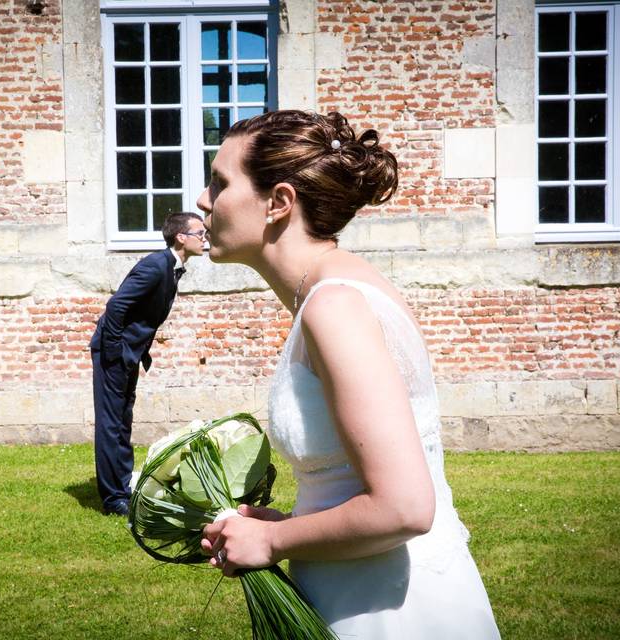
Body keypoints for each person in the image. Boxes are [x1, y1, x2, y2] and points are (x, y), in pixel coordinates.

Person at [196, 111, 500, 638]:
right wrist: (290, 524)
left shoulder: (332, 305)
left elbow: (404, 507)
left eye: (220, 183)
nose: (203, 200)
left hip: (386, 609)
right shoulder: (339, 287)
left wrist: (271, 543)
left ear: (279, 203)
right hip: (362, 585)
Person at [89, 211, 207, 516]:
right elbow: (116, 307)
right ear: (181, 237)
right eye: (200, 233)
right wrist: (115, 352)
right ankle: (113, 497)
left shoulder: (172, 268)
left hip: (128, 353)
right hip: (114, 353)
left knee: (122, 421)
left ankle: (123, 486)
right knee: (111, 423)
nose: (204, 238)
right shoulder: (156, 266)